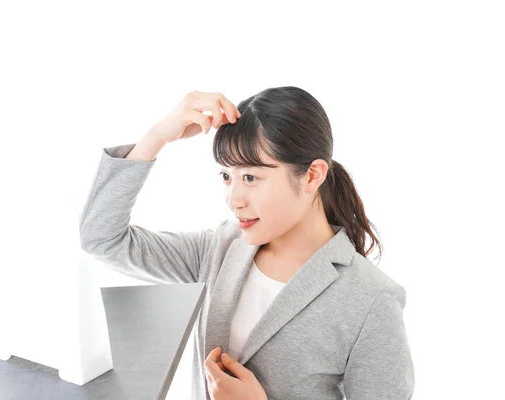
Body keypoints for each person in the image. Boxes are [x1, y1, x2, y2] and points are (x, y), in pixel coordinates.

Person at [79, 88, 415, 399]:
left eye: (251, 177)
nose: (233, 199)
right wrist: (157, 136)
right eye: (227, 176)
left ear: (313, 175)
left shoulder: (371, 300)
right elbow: (102, 239)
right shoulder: (219, 250)